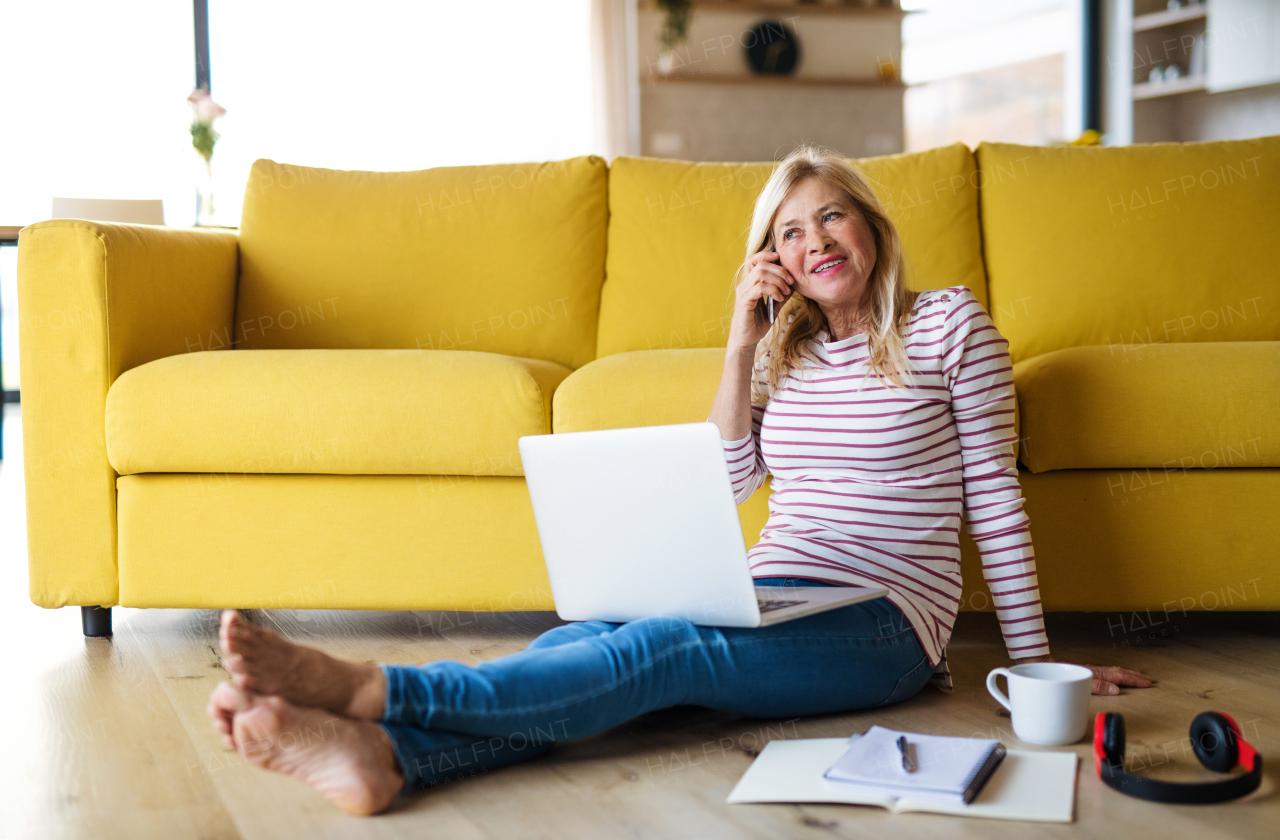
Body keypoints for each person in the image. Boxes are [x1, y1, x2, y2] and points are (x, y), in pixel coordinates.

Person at [206, 145, 1152, 815]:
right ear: (771, 261)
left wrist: (1032, 663)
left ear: (869, 225)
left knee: (658, 653)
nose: (814, 241)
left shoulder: (950, 327)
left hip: (887, 619)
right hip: (769, 584)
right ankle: (385, 763)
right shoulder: (782, 356)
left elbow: (993, 496)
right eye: (787, 233)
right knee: (592, 634)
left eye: (830, 215)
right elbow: (730, 482)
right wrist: (742, 342)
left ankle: (377, 692)